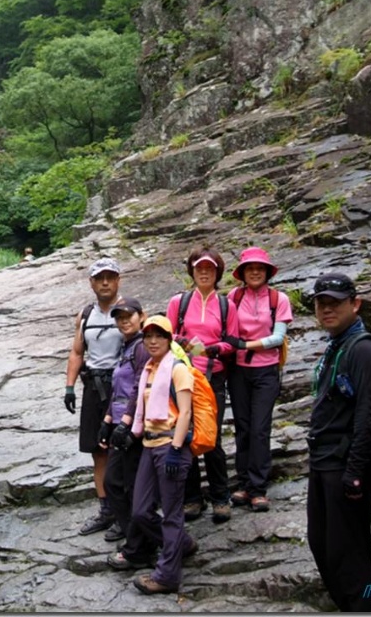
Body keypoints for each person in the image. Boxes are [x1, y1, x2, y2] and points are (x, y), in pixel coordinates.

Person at [307, 273, 371, 612]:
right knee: (323, 544)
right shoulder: (337, 344)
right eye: (321, 303)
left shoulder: (364, 350)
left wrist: (355, 472)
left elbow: (370, 415)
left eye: (335, 303)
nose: (327, 310)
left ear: (354, 304)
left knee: (348, 554)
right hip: (324, 461)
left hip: (346, 466)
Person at [166, 246, 238, 524]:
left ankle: (221, 498)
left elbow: (232, 341)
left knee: (212, 437)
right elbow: (168, 334)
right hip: (184, 377)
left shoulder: (226, 305)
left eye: (209, 268)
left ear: (217, 271)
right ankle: (192, 498)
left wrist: (211, 350)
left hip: (213, 378)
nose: (204, 272)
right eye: (199, 268)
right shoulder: (179, 302)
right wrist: (188, 345)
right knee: (185, 435)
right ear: (192, 271)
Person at [128, 314, 198, 595]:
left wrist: (177, 449)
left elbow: (186, 412)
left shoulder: (177, 368)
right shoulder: (149, 368)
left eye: (159, 336)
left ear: (169, 340)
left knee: (171, 514)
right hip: (148, 445)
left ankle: (167, 576)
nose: (153, 341)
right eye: (148, 336)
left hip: (171, 446)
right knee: (141, 511)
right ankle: (181, 544)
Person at [225, 247, 293, 512]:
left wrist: (244, 344)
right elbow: (227, 331)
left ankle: (258, 487)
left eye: (260, 268)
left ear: (267, 272)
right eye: (250, 268)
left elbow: (278, 338)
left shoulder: (278, 299)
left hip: (266, 371)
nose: (255, 272)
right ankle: (243, 484)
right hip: (239, 371)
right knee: (242, 426)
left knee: (260, 428)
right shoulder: (234, 296)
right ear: (242, 273)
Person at [64, 257, 125, 535]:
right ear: (91, 282)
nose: (105, 283)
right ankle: (106, 510)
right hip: (93, 387)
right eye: (100, 278)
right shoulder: (85, 315)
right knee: (97, 451)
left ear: (117, 281)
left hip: (122, 388)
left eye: (110, 277)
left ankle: (126, 511)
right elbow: (77, 352)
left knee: (122, 450)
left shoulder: (129, 312)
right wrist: (69, 386)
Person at [100, 297, 156, 569]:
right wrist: (108, 419)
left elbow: (139, 389)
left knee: (132, 488)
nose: (124, 321)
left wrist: (128, 424)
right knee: (113, 483)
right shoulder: (126, 347)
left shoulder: (143, 347)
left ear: (141, 316)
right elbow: (119, 389)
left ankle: (141, 548)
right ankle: (138, 540)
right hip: (120, 425)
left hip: (135, 428)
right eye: (119, 317)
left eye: (129, 316)